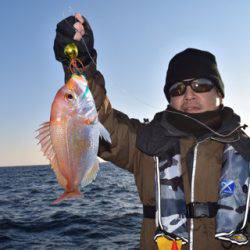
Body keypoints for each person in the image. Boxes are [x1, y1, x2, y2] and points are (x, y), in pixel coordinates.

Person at [53, 13, 250, 250]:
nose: (189, 95)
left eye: (201, 85)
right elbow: (96, 118)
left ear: (220, 93)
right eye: (178, 89)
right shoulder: (146, 142)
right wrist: (80, 63)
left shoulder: (245, 150)